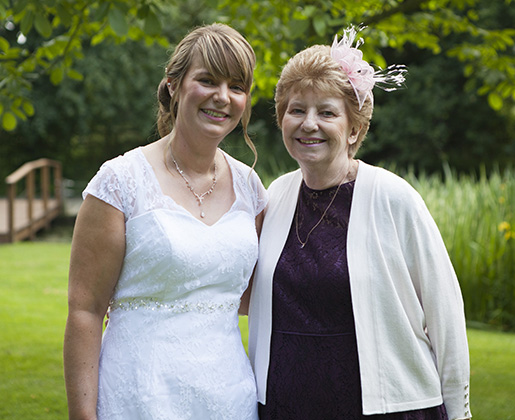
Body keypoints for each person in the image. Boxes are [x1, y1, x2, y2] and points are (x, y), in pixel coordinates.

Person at [248, 27, 472, 420]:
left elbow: (445, 315)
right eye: (297, 110)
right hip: (287, 407)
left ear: (354, 129)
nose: (308, 123)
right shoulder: (275, 195)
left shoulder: (393, 198)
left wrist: (460, 412)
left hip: (386, 409)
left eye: (327, 112)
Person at [63, 23, 266, 420]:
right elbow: (85, 310)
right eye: (207, 80)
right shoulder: (120, 181)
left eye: (237, 86)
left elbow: (254, 299)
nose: (222, 97)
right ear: (173, 85)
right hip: (139, 395)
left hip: (229, 397)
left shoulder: (251, 187)